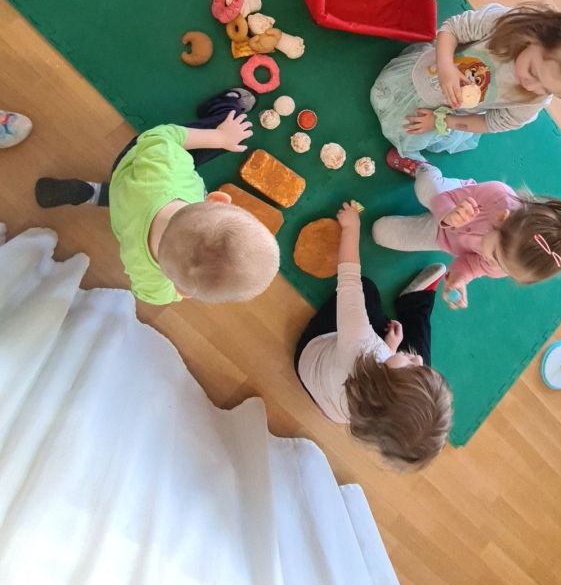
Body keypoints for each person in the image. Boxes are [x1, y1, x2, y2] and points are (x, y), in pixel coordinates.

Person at [34, 88, 280, 306]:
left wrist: (219, 138)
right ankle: (90, 193)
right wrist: (176, 289)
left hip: (132, 174)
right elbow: (148, 294)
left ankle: (225, 106)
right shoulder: (153, 281)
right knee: (125, 201)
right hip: (124, 216)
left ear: (218, 199)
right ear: (182, 290)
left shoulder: (168, 168)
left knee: (234, 130)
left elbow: (161, 137)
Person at [371, 1, 561, 173]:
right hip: (429, 69)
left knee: (407, 134)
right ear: (538, 36)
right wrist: (446, 66)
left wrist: (442, 122)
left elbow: (492, 123)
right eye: (532, 71)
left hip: (443, 111)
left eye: (547, 90)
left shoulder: (531, 101)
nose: (531, 85)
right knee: (380, 91)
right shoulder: (505, 25)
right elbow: (452, 30)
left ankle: (415, 161)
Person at [294, 201, 453, 470]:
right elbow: (395, 373)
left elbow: (349, 279)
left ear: (383, 383)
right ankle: (415, 303)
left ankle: (415, 303)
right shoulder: (374, 418)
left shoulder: (360, 343)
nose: (417, 361)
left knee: (366, 289)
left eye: (411, 368)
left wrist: (351, 228)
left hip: (313, 350)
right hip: (328, 396)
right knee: (418, 358)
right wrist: (390, 349)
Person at [373, 164, 561, 309]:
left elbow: (473, 265)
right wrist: (449, 215)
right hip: (453, 201)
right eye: (495, 256)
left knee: (380, 232)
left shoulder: (507, 263)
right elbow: (443, 200)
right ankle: (423, 167)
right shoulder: (497, 194)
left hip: (442, 238)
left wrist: (460, 277)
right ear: (501, 218)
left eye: (502, 268)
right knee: (425, 187)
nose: (491, 263)